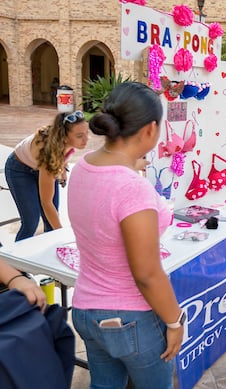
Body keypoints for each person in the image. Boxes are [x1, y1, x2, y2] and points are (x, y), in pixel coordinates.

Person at [67, 82, 184, 388]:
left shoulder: (82, 168)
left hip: (85, 309)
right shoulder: (133, 189)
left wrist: (132, 166)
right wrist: (174, 321)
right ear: (149, 130)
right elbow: (146, 273)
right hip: (130, 317)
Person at [4, 110, 88, 241]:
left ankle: (49, 256)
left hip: (43, 164)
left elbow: (65, 152)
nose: (86, 139)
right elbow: (46, 203)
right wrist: (64, 238)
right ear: (64, 137)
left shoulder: (63, 142)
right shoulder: (50, 154)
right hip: (20, 169)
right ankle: (16, 258)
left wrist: (63, 169)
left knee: (51, 221)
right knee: (31, 221)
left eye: (86, 133)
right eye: (79, 136)